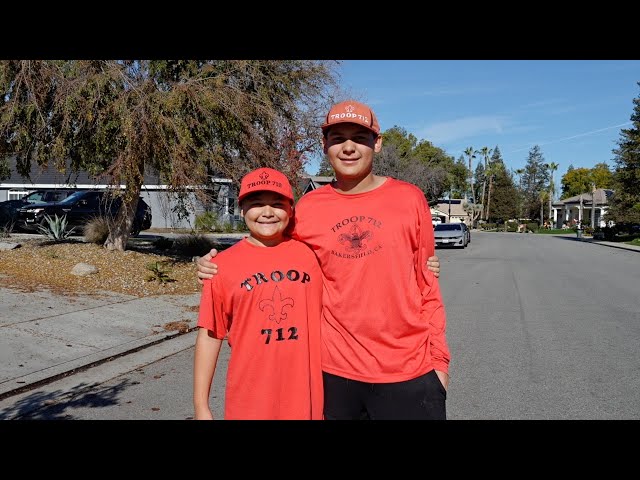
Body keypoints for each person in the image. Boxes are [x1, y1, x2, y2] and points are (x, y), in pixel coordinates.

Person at [197, 100, 449, 420]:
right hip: (333, 375)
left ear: (378, 142)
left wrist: (439, 363)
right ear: (324, 145)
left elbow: (428, 285)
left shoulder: (410, 199)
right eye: (337, 138)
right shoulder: (308, 208)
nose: (348, 147)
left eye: (359, 137)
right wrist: (215, 267)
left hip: (409, 372)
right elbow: (269, 249)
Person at [193, 167, 324, 420]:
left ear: (290, 209)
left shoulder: (312, 255)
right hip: (250, 402)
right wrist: (201, 406)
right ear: (242, 210)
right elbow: (210, 336)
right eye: (256, 203)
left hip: (307, 400)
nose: (267, 212)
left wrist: (425, 263)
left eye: (277, 203)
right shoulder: (221, 266)